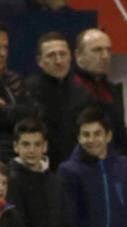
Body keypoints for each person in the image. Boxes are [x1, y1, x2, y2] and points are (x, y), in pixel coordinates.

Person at [8, 117, 84, 227]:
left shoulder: (56, 181)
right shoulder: (10, 183)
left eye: (37, 144)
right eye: (26, 144)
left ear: (45, 146)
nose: (32, 150)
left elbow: (69, 224)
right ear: (15, 147)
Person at [26, 31, 92, 170]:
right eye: (51, 55)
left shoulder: (82, 93)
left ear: (70, 56)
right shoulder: (28, 90)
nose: (58, 60)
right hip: (41, 170)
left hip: (78, 168)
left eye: (63, 54)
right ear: (39, 61)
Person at [74, 28, 127, 154]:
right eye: (97, 50)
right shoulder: (71, 90)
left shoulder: (113, 90)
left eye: (108, 50)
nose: (105, 56)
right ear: (78, 56)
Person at [0, 24, 36, 163]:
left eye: (5, 47)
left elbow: (31, 115)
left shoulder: (14, 80)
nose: (2, 53)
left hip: (19, 162)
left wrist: (4, 109)